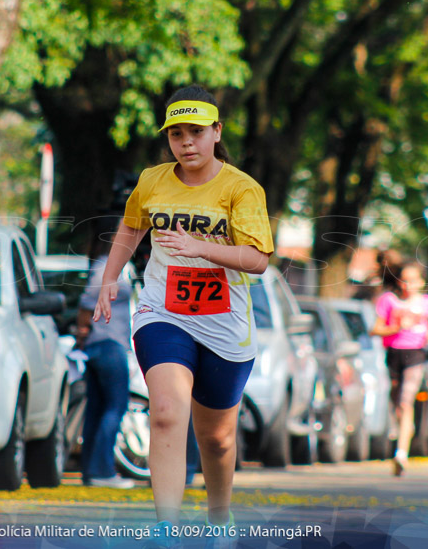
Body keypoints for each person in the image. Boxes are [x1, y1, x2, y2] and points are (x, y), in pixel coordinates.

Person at [92, 86, 274, 541]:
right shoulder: (152, 180)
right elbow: (132, 225)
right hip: (163, 311)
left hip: (224, 323)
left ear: (216, 131)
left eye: (196, 132)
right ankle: (166, 529)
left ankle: (219, 517)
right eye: (176, 134)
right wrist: (110, 277)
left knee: (216, 438)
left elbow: (258, 259)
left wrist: (200, 247)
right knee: (167, 410)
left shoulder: (241, 188)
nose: (186, 142)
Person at [76, 215, 135, 489]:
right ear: (113, 237)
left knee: (98, 407)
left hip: (102, 345)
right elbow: (87, 302)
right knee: (116, 405)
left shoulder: (109, 266)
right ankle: (101, 470)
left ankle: (91, 470)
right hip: (108, 344)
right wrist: (82, 332)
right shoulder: (107, 269)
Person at [372, 261, 428, 476]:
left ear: (421, 282)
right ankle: (404, 428)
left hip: (415, 354)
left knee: (406, 399)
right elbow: (375, 329)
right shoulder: (389, 301)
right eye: (404, 279)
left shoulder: (427, 303)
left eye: (413, 280)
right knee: (397, 404)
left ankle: (401, 453)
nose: (408, 284)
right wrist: (395, 328)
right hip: (393, 353)